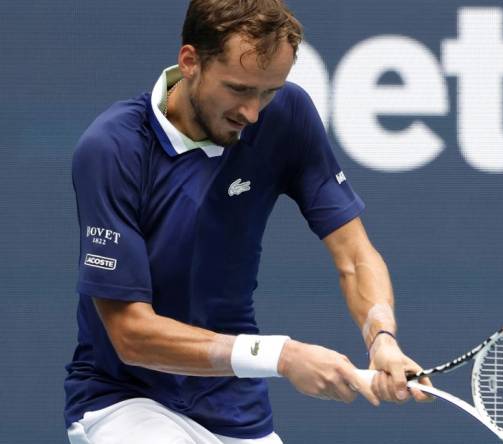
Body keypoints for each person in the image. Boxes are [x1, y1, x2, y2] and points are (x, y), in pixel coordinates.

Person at [63, 1, 431, 442]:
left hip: (234, 404)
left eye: (269, 92)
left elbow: (354, 255)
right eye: (238, 89)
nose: (253, 113)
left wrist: (381, 337)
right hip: (124, 399)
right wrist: (281, 355)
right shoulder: (113, 148)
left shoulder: (287, 115)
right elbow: (130, 335)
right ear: (190, 62)